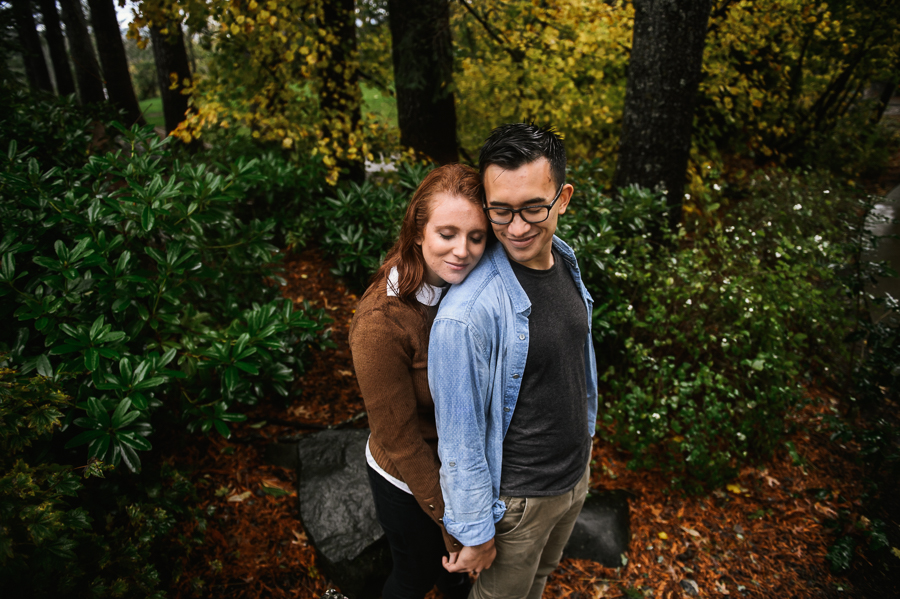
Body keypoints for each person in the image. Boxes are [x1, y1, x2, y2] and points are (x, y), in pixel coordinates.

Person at [428, 123, 598, 599]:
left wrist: (583, 444)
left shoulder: (563, 258)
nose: (517, 228)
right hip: (519, 503)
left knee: (540, 581)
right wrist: (476, 532)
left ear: (563, 198)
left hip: (573, 478)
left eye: (532, 208)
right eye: (500, 211)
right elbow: (458, 439)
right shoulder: (466, 316)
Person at [349, 163, 491, 599]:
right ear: (417, 232)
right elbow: (402, 441)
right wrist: (459, 525)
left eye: (476, 236)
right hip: (409, 476)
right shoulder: (381, 323)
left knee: (457, 580)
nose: (462, 251)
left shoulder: (471, 285)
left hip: (461, 467)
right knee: (416, 574)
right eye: (447, 234)